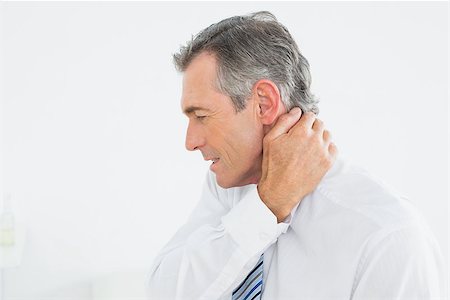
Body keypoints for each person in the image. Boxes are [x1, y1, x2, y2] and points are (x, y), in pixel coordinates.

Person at [148, 11, 445, 300]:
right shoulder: (229, 185)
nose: (190, 142)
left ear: (263, 104)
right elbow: (164, 292)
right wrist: (266, 206)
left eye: (201, 115)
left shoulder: (387, 238)